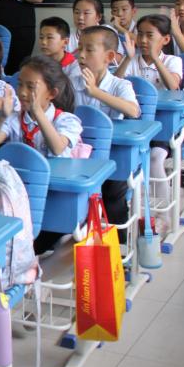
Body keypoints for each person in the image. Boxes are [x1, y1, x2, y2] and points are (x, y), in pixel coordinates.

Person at [72, 26, 140, 238]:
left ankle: (120, 244)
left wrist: (95, 92)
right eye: (80, 48)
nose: (82, 55)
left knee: (112, 192)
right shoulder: (71, 83)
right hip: (79, 156)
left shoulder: (120, 85)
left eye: (89, 49)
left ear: (109, 57)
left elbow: (133, 110)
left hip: (112, 156)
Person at [117, 15, 183, 216]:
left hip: (162, 128)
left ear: (165, 39)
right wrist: (127, 58)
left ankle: (163, 213)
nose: (143, 40)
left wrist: (156, 59)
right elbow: (114, 84)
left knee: (155, 158)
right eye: (140, 34)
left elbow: (173, 86)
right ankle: (130, 207)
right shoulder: (132, 60)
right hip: (134, 126)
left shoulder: (173, 61)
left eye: (150, 36)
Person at [0, 56, 82, 158]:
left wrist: (37, 111)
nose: (22, 92)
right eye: (20, 84)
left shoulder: (67, 120)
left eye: (31, 87)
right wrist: (2, 117)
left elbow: (57, 149)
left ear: (52, 93)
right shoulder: (14, 118)